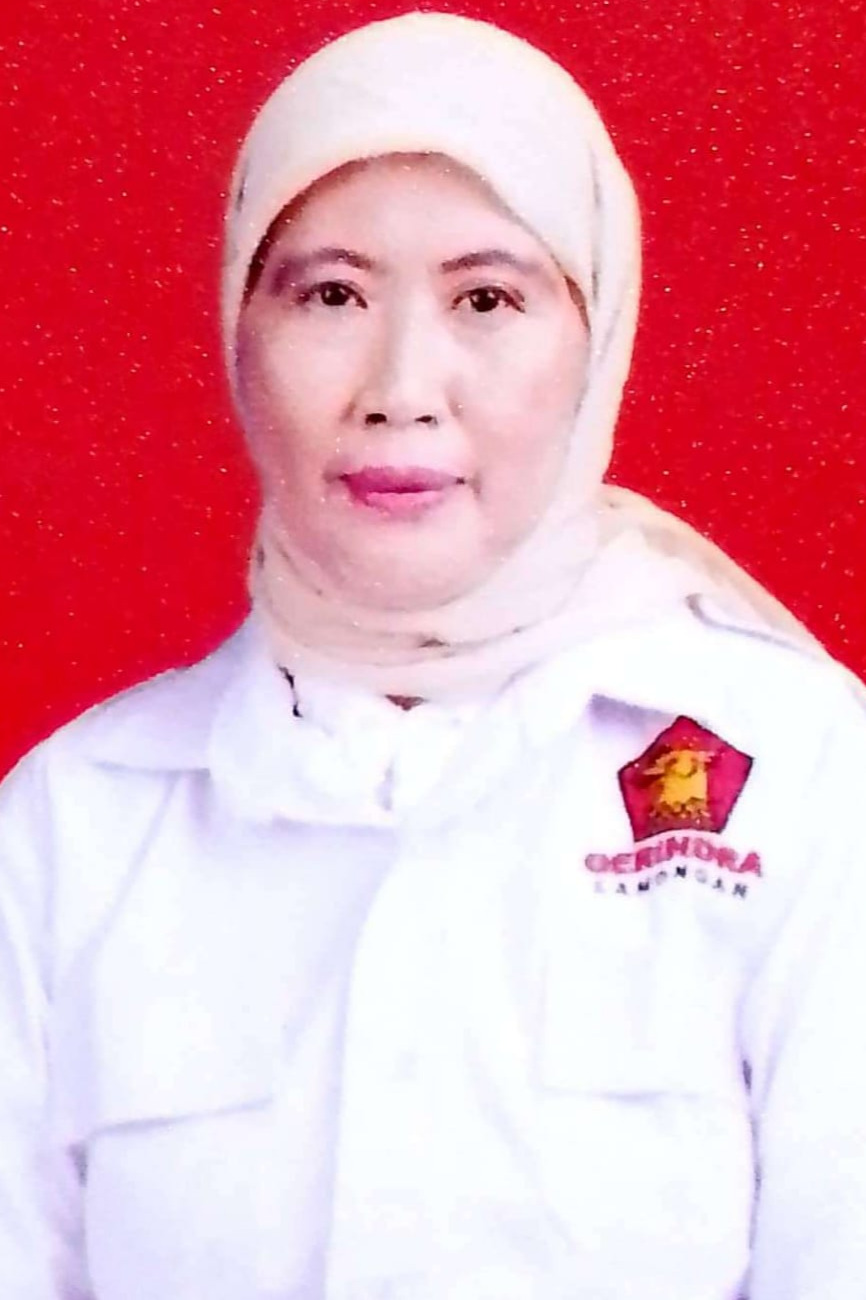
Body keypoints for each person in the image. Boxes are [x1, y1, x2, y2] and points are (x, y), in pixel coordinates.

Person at [1, 10, 864, 1299]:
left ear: (596, 336)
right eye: (332, 294)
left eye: (486, 299)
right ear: (239, 331)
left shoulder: (805, 777)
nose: (400, 387)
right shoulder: (72, 828)